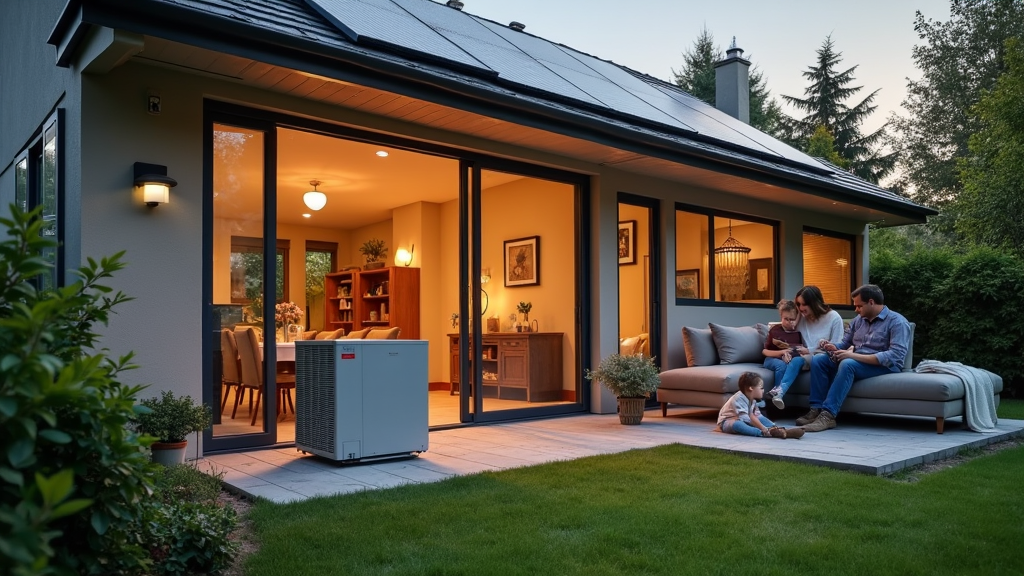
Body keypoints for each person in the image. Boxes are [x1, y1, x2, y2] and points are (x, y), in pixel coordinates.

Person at [798, 284, 911, 432]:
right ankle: (816, 409)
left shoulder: (897, 322)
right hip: (857, 360)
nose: (856, 310)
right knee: (819, 360)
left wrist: (852, 356)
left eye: (859, 306)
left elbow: (895, 356)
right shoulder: (859, 320)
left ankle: (828, 416)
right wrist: (833, 346)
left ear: (871, 302)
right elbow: (845, 343)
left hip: (885, 366)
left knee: (847, 364)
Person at [718, 372, 805, 439]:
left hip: (746, 419)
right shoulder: (738, 399)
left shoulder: (753, 399)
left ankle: (777, 429)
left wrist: (771, 425)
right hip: (728, 421)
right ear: (751, 388)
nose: (763, 390)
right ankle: (764, 433)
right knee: (738, 425)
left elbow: (757, 416)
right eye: (761, 388)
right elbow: (746, 418)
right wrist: (763, 428)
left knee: (759, 418)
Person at [762, 300, 805, 410]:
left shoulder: (799, 332)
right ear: (781, 317)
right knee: (781, 365)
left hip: (789, 360)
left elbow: (800, 351)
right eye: (786, 319)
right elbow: (765, 351)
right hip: (771, 359)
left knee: (787, 365)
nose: (788, 322)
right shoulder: (775, 330)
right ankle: (776, 395)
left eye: (792, 319)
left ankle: (777, 396)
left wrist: (790, 355)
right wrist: (782, 352)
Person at [794, 285, 845, 357]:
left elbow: (836, 346)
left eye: (804, 304)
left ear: (814, 303)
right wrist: (796, 319)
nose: (801, 308)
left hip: (823, 357)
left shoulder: (834, 317)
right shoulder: (800, 317)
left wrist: (810, 350)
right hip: (801, 355)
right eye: (798, 304)